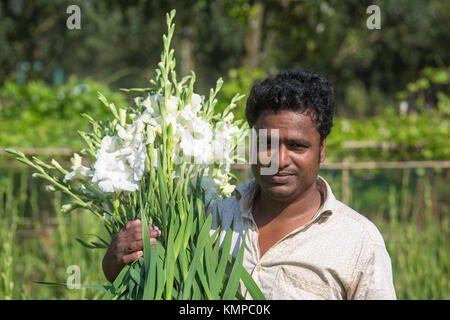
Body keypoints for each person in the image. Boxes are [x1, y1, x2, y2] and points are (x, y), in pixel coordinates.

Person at [102, 69, 396, 300]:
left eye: (297, 146)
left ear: (321, 150)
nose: (279, 160)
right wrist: (115, 262)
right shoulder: (210, 218)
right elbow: (157, 284)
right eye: (266, 143)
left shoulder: (358, 242)